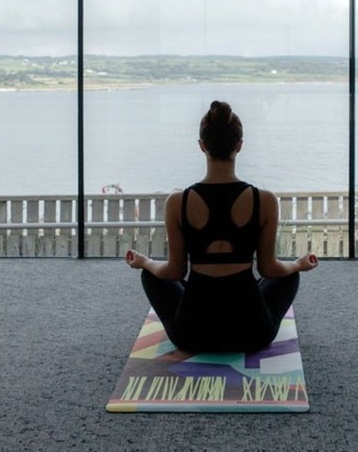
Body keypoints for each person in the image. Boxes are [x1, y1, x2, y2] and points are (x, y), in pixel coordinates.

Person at [125, 100, 318, 353]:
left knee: (151, 275)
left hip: (191, 334)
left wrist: (145, 262)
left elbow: (174, 272)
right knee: (288, 275)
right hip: (252, 333)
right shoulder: (265, 200)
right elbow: (269, 268)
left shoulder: (177, 202)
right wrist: (298, 265)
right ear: (239, 146)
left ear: (202, 146)